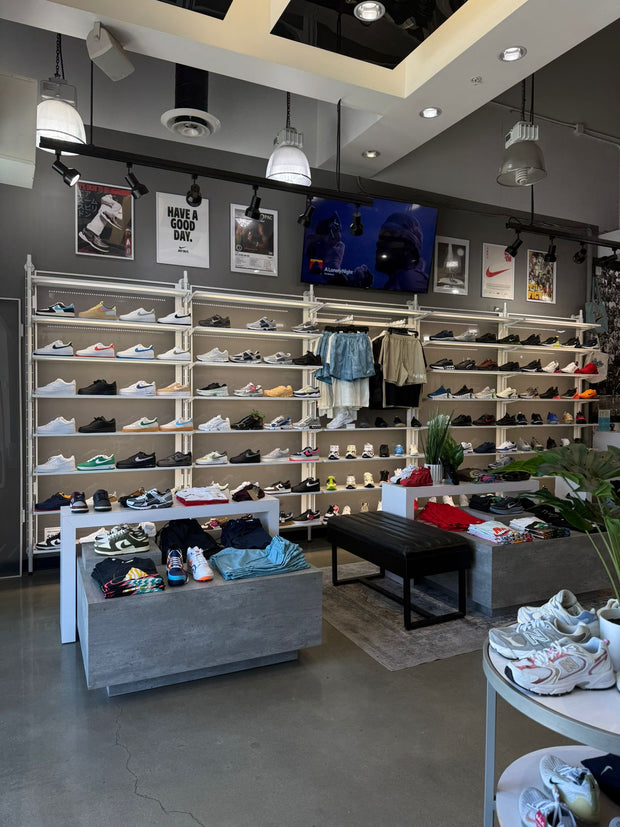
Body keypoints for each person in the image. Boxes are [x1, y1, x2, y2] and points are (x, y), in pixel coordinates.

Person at [375, 212, 428, 291]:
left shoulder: (410, 280)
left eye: (388, 237)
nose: (378, 244)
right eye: (381, 237)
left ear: (408, 247)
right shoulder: (399, 281)